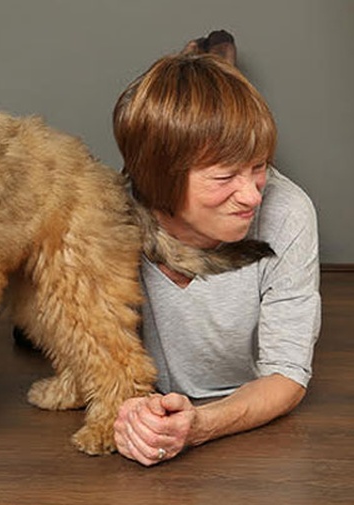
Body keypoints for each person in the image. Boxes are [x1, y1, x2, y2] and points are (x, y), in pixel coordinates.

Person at [109, 33, 321, 465]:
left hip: (240, 420)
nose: (252, 196)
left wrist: (200, 426)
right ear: (161, 177)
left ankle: (208, 65)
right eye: (225, 177)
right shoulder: (110, 216)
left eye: (259, 166)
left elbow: (287, 374)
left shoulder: (288, 213)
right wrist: (130, 409)